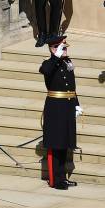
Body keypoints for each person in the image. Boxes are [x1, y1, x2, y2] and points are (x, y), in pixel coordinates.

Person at [40, 35, 82, 190]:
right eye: (62, 48)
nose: (65, 50)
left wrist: (76, 104)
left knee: (65, 143)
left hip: (67, 107)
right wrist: (55, 57)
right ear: (53, 48)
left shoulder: (67, 62)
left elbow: (71, 86)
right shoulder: (49, 63)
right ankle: (55, 180)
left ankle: (62, 177)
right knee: (55, 144)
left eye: (65, 48)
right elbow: (45, 70)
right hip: (55, 108)